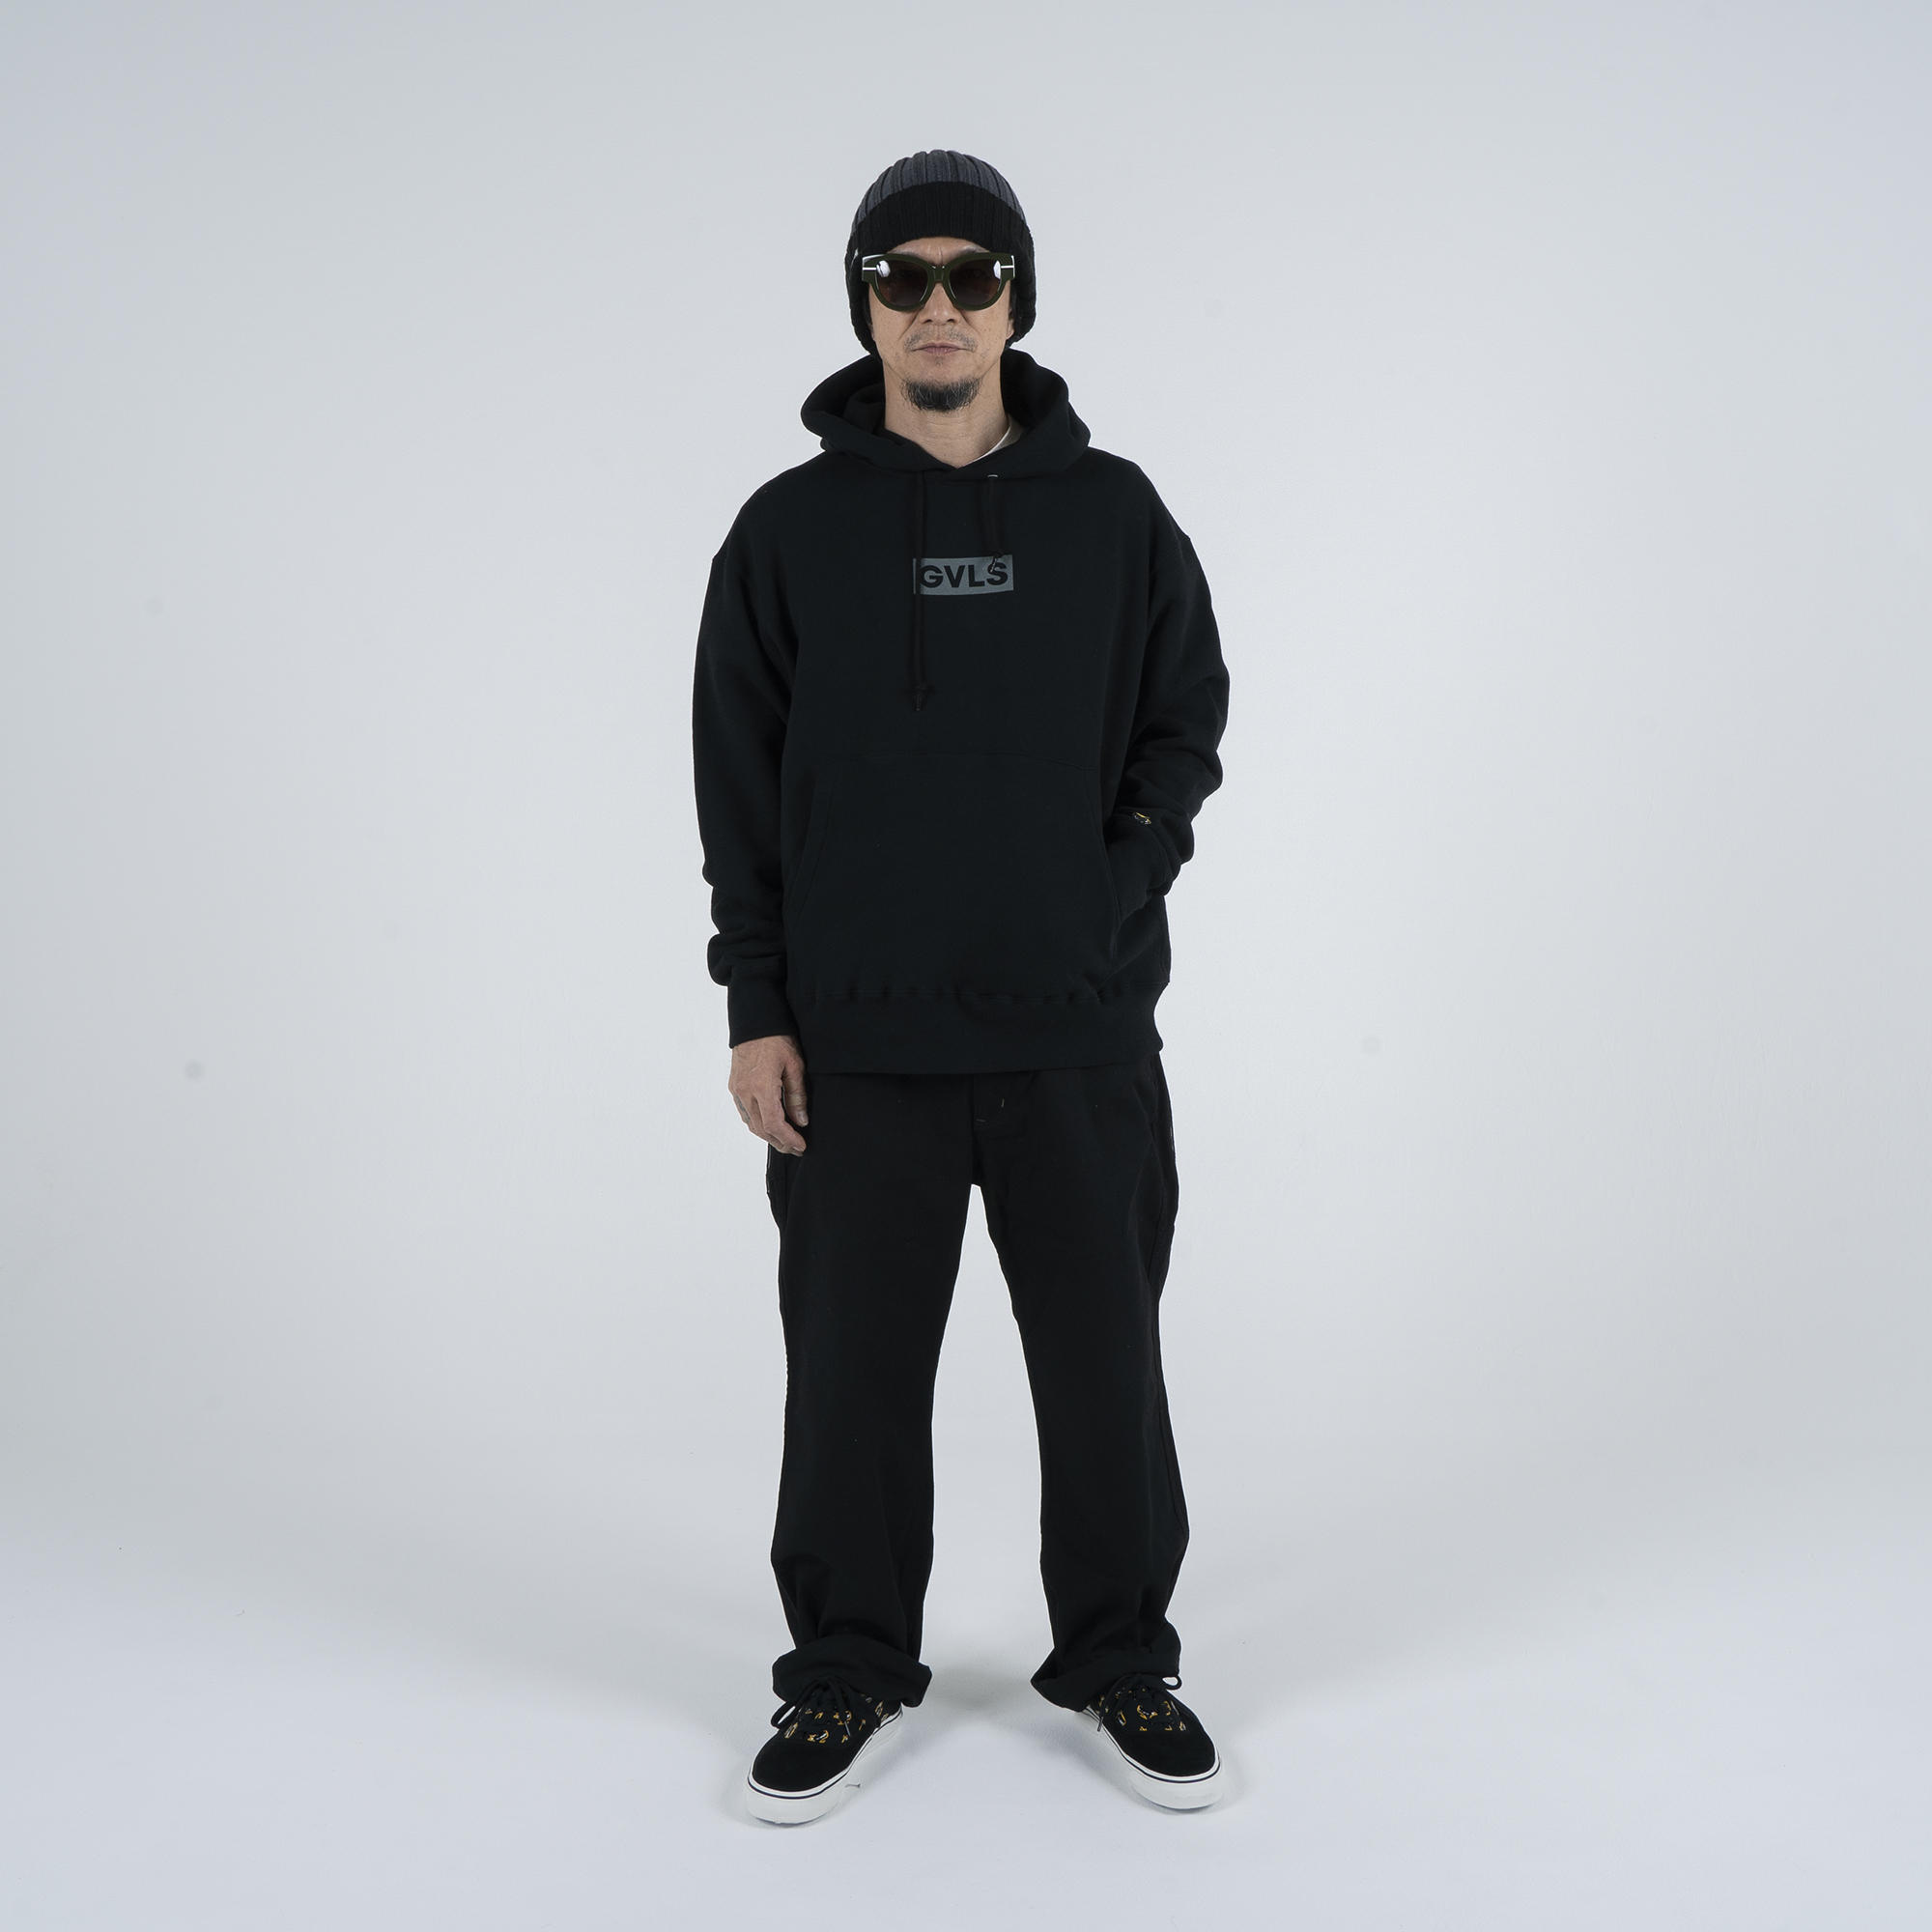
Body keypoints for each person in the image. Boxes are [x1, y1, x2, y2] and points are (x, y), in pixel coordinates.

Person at [691, 150, 1232, 1824]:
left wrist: (1110, 881)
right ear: (865, 305)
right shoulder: (786, 533)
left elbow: (1186, 722)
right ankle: (844, 1670)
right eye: (902, 277)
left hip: (1076, 1032)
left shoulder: (1115, 515)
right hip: (856, 1047)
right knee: (851, 1385)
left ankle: (1122, 1657)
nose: (938, 306)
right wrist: (756, 1005)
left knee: (1104, 1371)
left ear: (1017, 301)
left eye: (971, 276)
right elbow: (735, 789)